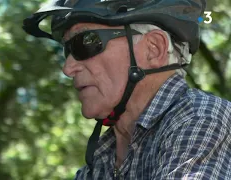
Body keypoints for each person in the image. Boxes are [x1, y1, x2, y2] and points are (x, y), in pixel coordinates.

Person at [22, 0, 231, 179]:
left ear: (153, 49)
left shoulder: (200, 119)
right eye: (67, 50)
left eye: (86, 42)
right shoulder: (101, 160)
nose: (68, 68)